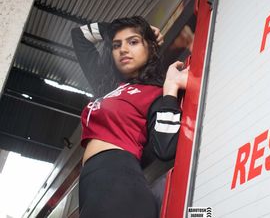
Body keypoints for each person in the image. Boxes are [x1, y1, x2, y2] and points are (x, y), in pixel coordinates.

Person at [71, 16, 188, 218]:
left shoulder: (155, 92)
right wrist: (128, 30)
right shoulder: (106, 86)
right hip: (91, 185)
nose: (123, 49)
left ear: (150, 48)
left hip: (120, 181)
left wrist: (170, 90)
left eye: (133, 42)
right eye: (117, 45)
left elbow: (166, 148)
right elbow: (79, 35)